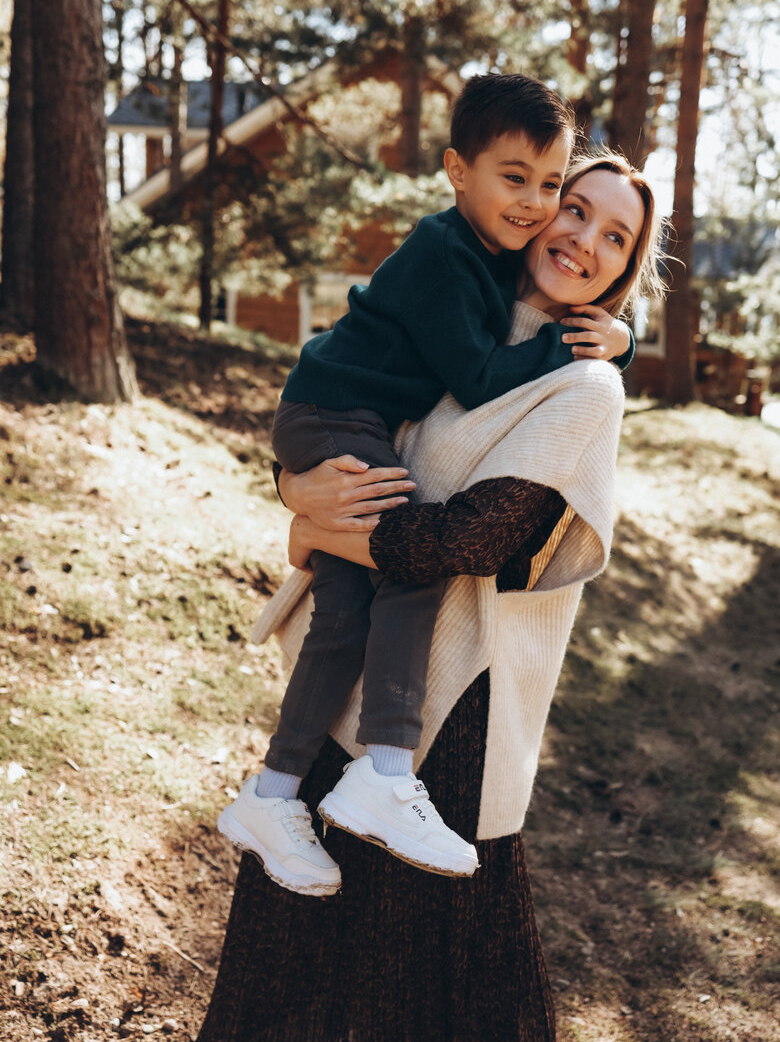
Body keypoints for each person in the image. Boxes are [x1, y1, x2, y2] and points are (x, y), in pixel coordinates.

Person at [186, 150, 666, 1042]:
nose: (582, 239)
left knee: (426, 969)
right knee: (308, 923)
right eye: (575, 210)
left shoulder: (583, 386)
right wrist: (296, 491)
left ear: (622, 275)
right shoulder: (464, 302)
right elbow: (346, 409)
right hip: (361, 664)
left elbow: (468, 540)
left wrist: (313, 529)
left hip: (456, 701)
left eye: (616, 238)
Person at [217, 75, 636, 895]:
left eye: (549, 186)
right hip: (337, 421)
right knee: (391, 585)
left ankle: (274, 794)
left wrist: (614, 343)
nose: (548, 213)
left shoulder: (536, 321)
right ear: (457, 170)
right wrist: (297, 499)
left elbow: (466, 540)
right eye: (555, 199)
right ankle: (377, 771)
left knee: (352, 607)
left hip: (344, 429)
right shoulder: (453, 255)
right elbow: (482, 377)